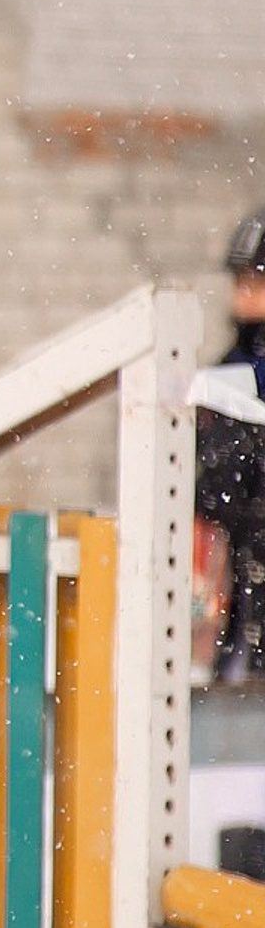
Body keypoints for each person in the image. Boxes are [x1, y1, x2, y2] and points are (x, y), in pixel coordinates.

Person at [198, 208, 265, 684]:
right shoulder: (234, 364)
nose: (243, 297)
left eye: (255, 282)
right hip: (245, 570)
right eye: (241, 282)